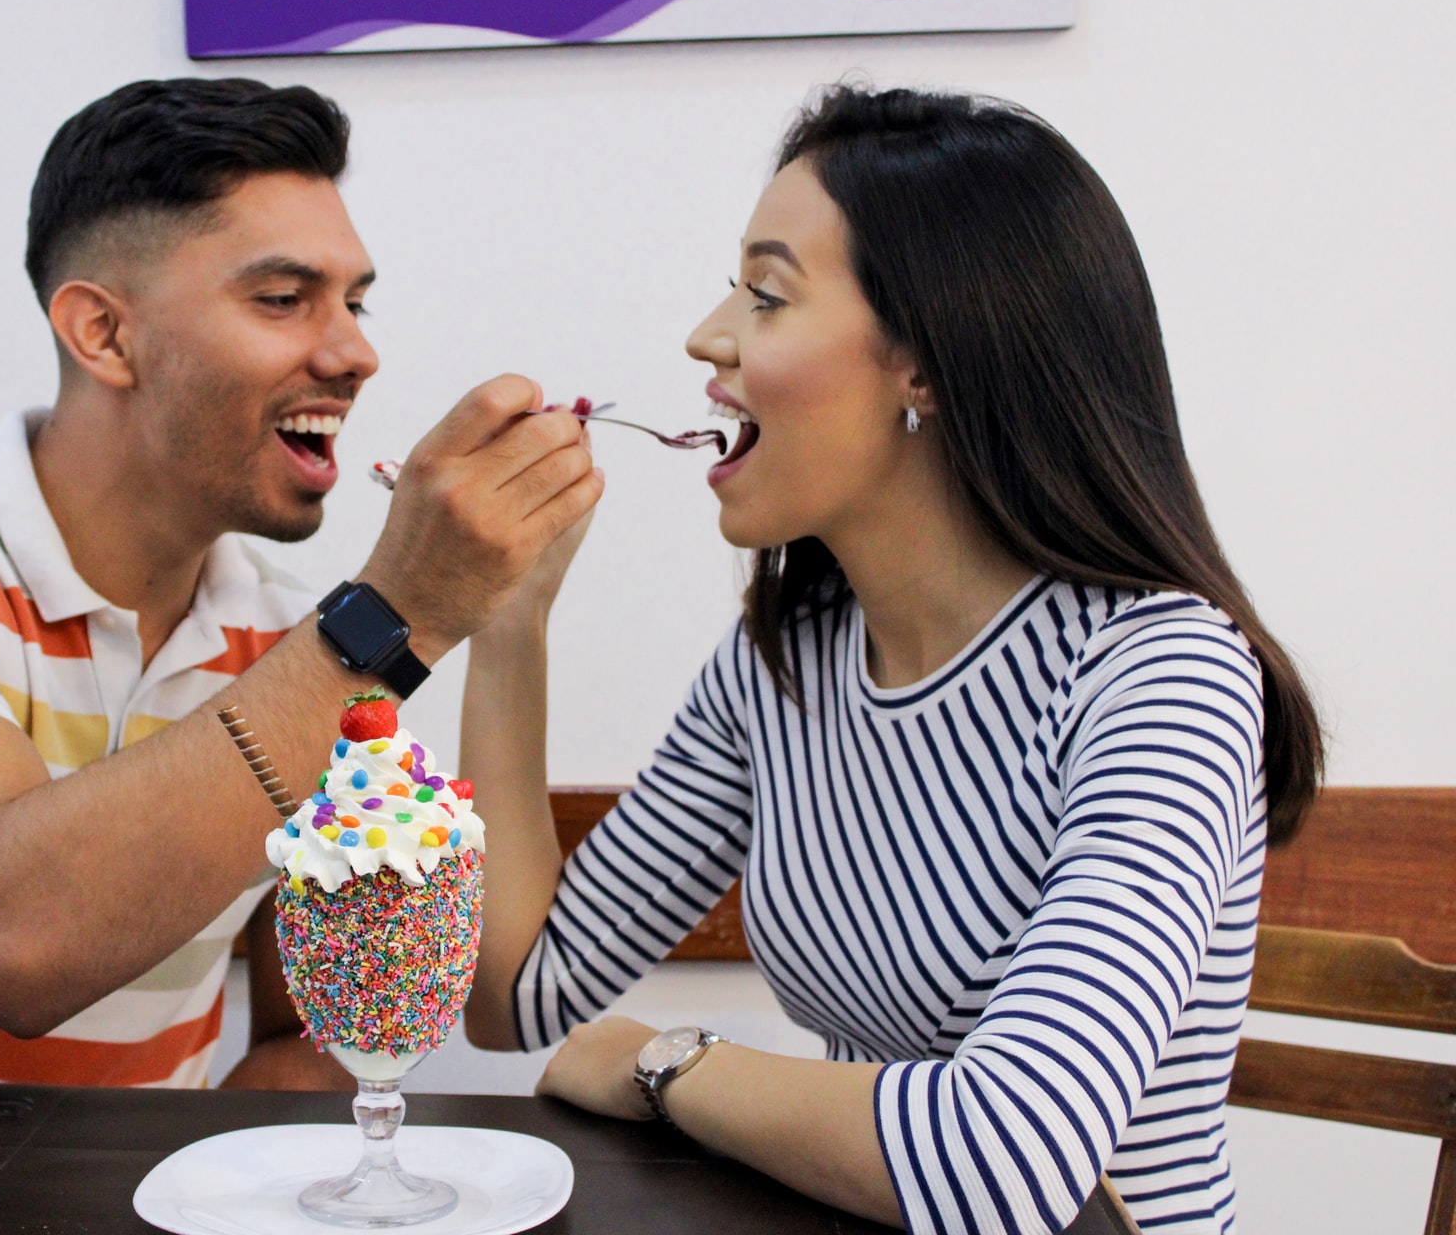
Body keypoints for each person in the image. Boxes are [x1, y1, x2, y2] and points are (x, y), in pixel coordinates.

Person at [0, 77, 601, 1232]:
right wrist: (400, 608)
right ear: (104, 330)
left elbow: (308, 1029)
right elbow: (12, 937)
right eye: (286, 298)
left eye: (356, 302)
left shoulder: (291, 635)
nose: (354, 353)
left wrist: (197, 1190)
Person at [461, 85, 1321, 1235]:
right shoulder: (786, 665)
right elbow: (521, 994)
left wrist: (664, 1058)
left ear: (927, 365)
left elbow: (1004, 1165)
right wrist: (508, 622)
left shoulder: (1159, 676)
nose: (706, 336)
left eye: (765, 294)